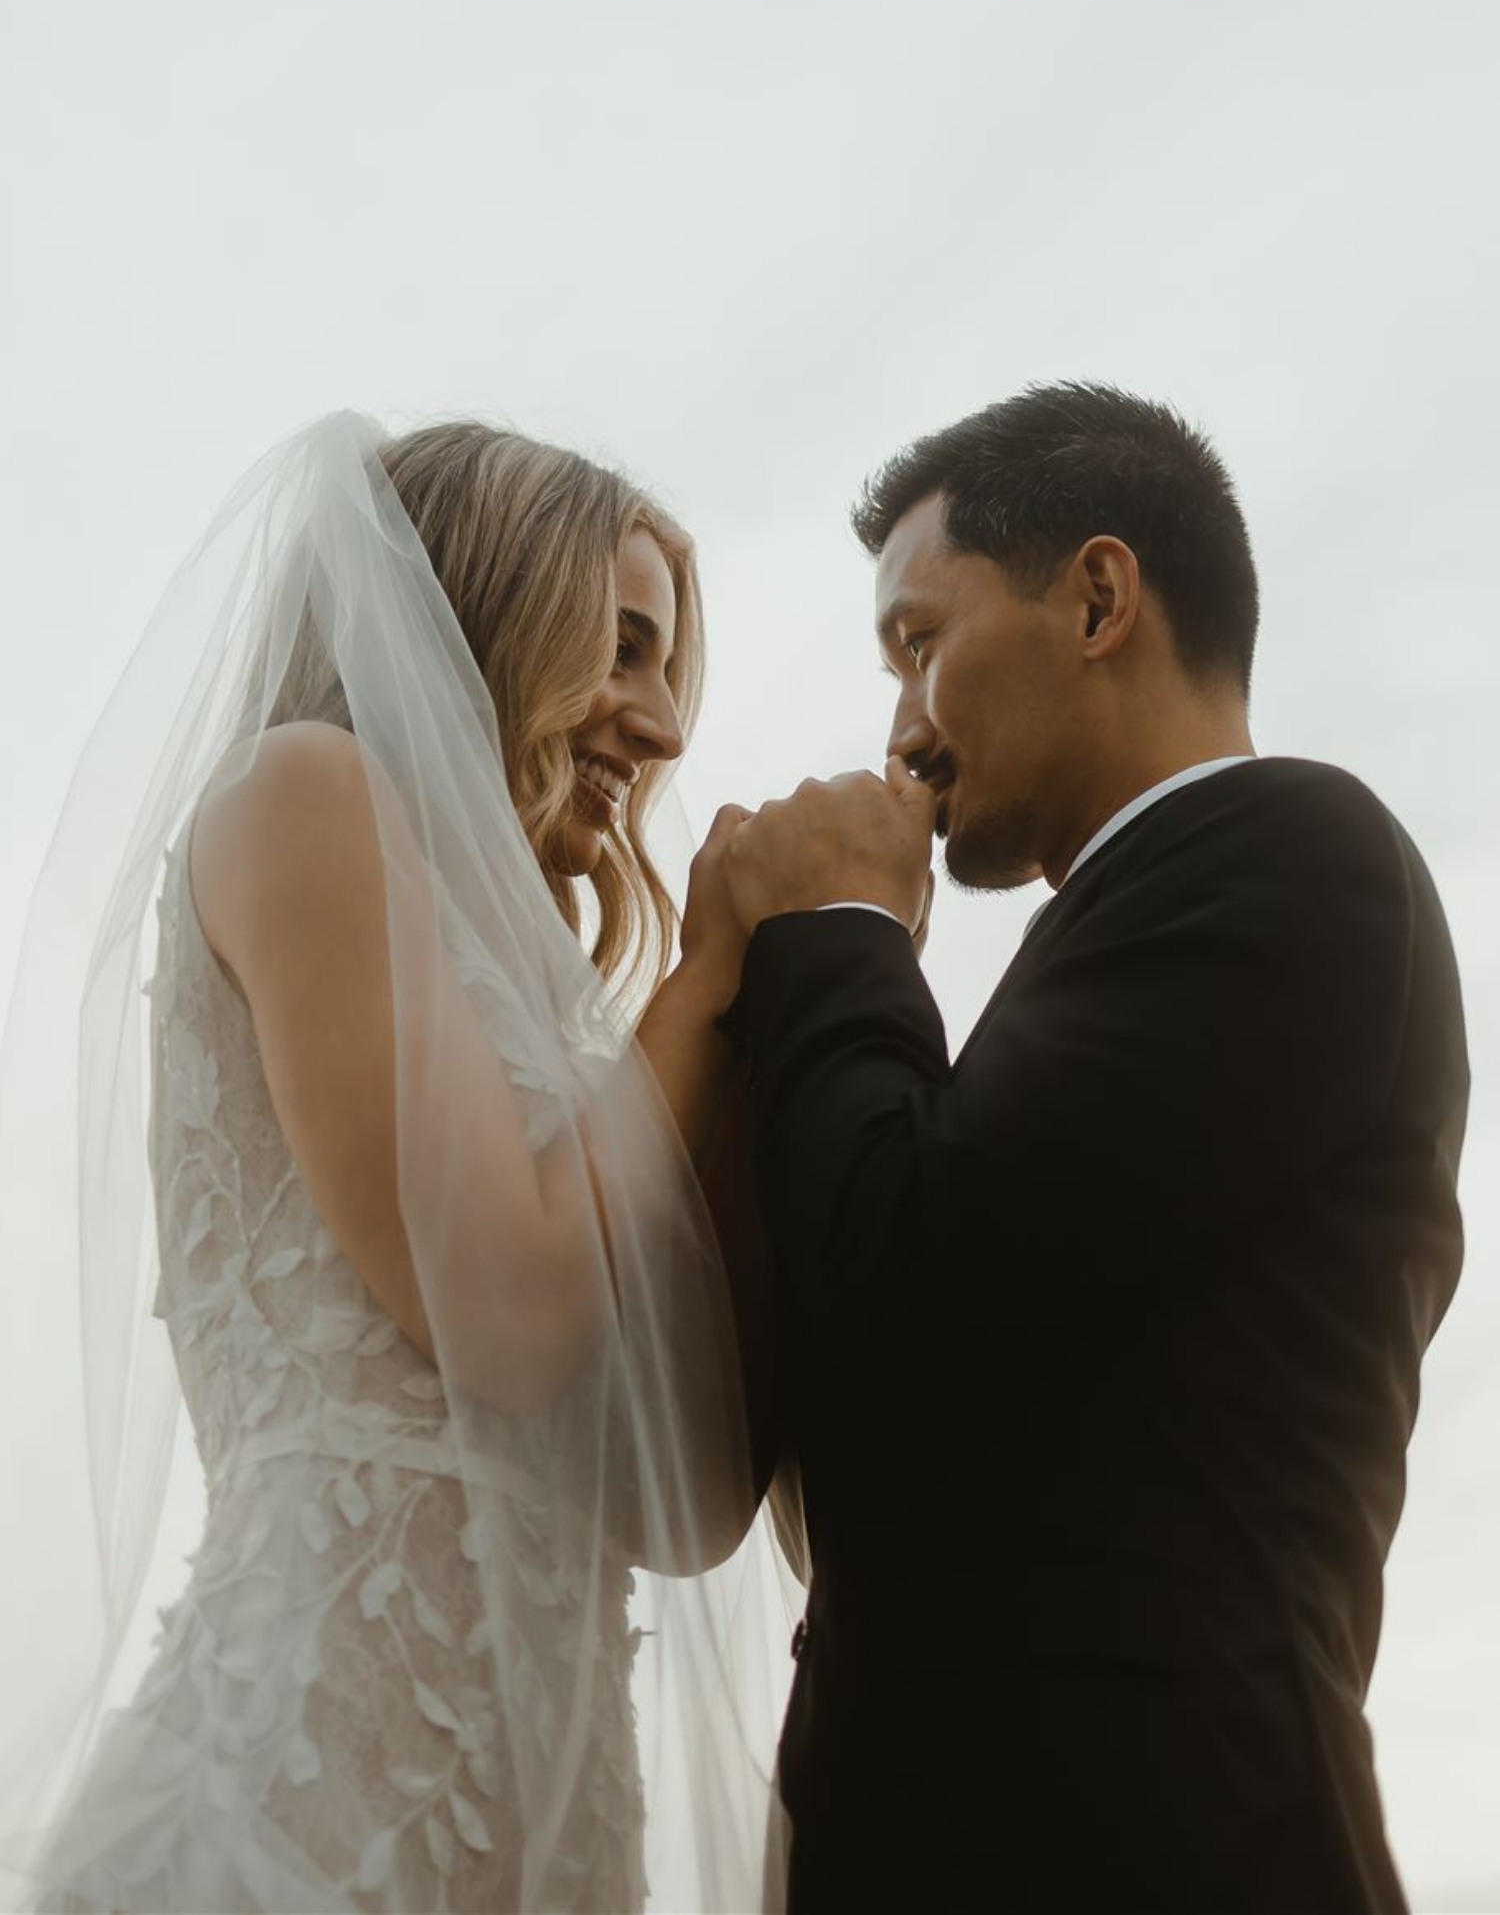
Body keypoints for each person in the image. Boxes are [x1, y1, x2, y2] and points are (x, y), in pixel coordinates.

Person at [0, 414, 780, 1914]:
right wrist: (703, 976)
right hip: (305, 1793)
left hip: (541, 1837)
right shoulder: (303, 789)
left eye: (665, 669)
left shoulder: (540, 1005)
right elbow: (506, 1311)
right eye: (622, 647)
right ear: (488, 605)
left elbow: (681, 1510)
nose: (662, 726)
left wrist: (765, 1024)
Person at [705, 381, 1469, 1913]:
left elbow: (903, 1273)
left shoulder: (1290, 853)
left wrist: (841, 924)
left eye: (920, 642)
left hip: (1161, 1847)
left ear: (1100, 598)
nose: (901, 727)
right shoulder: (1117, 930)